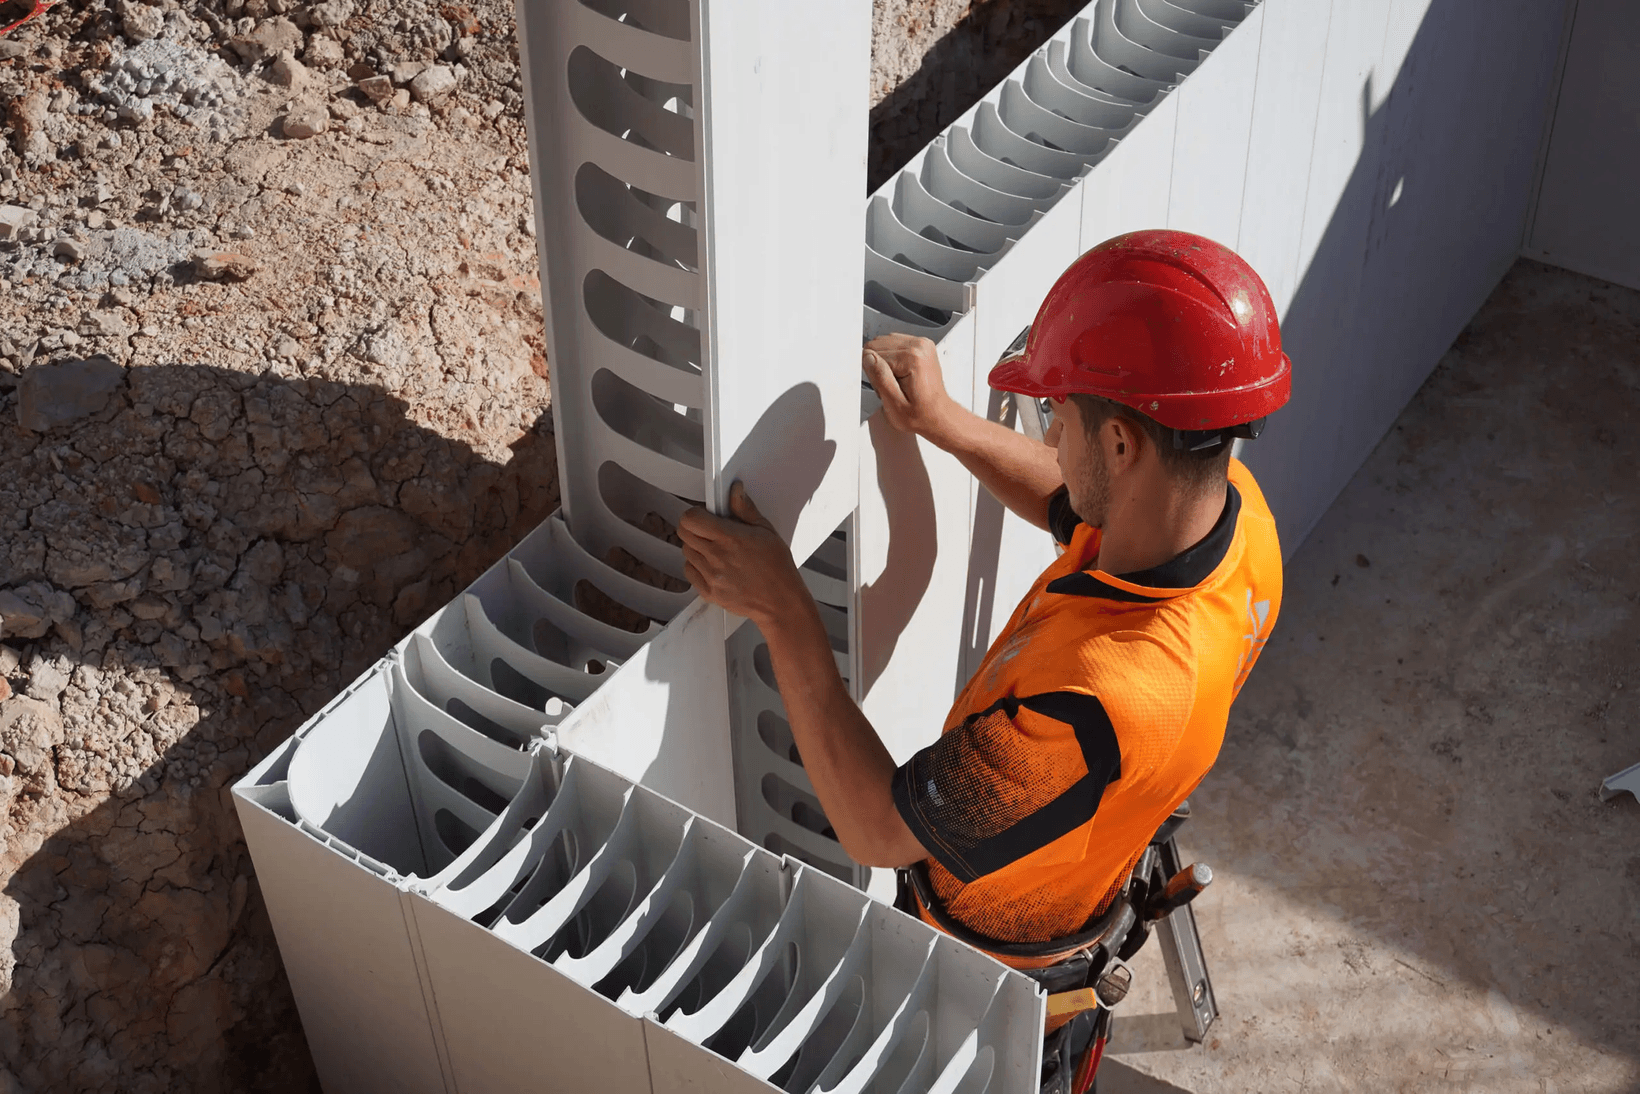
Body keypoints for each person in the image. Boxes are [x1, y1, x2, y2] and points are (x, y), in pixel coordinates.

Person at [677, 230, 1290, 1086]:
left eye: (1058, 416)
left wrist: (785, 609)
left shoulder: (1099, 706)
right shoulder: (1234, 525)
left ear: (1121, 445)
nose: (1051, 433)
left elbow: (880, 830)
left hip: (1000, 991)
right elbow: (1078, 503)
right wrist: (944, 424)